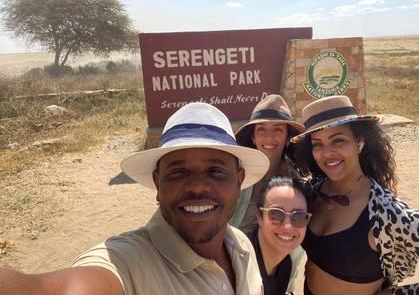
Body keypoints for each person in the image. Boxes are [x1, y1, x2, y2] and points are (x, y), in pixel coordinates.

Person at [0, 102, 270, 295]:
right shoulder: (128, 263)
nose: (198, 186)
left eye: (215, 171)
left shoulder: (241, 245)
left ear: (239, 180)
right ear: (157, 183)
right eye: (178, 172)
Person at [291, 95, 419, 295]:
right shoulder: (313, 192)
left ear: (359, 142)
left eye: (338, 140)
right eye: (317, 144)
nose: (327, 153)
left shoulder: (388, 213)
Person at [230, 94, 305, 233]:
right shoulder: (236, 176)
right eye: (261, 129)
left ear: (287, 137)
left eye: (278, 129)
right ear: (253, 137)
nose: (269, 137)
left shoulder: (298, 185)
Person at [248, 176, 311, 295]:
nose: (288, 227)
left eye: (299, 217)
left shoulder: (285, 266)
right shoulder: (238, 261)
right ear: (259, 217)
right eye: (276, 214)